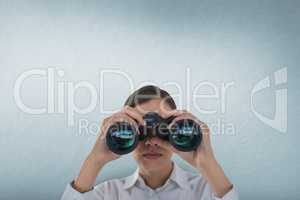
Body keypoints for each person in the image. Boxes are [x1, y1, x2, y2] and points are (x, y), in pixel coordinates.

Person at [61, 85, 239, 200]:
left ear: (174, 128)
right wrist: (94, 160)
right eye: (141, 131)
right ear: (126, 131)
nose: (152, 141)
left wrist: (207, 163)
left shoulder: (210, 191)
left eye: (163, 130)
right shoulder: (107, 194)